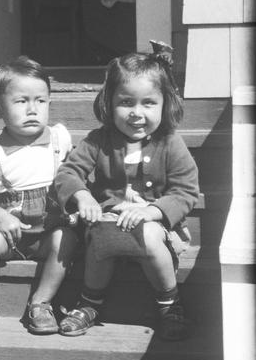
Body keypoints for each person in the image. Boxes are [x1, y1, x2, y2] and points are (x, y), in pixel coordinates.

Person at [55, 41, 199, 341]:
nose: (136, 113)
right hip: (108, 222)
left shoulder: (170, 143)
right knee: (98, 235)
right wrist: (83, 196)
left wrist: (151, 211)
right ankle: (90, 302)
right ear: (109, 102)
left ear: (165, 104)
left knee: (146, 236)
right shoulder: (98, 141)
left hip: (155, 226)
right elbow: (68, 172)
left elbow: (185, 191)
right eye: (126, 102)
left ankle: (170, 304)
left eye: (148, 103)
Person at [0, 56, 78, 335]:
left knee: (66, 240)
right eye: (20, 101)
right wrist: (0, 217)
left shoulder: (59, 139)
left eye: (40, 101)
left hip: (49, 230)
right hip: (10, 235)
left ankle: (41, 303)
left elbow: (77, 174)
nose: (32, 109)